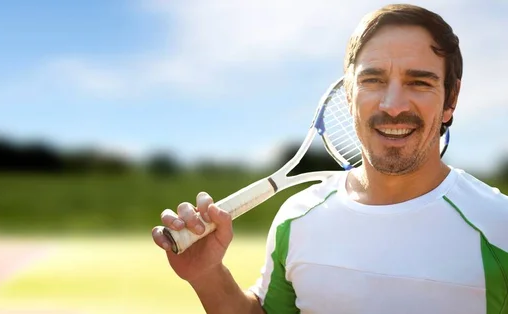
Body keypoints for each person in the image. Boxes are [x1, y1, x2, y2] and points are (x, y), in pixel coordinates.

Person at [151, 4, 508, 313]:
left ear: (451, 99)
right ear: (348, 93)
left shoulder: (499, 226)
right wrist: (206, 274)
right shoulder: (298, 218)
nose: (393, 105)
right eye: (373, 80)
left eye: (419, 82)